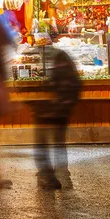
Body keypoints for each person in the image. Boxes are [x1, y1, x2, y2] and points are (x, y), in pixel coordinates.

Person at [32, 34, 82, 190]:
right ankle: (59, 172)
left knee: (41, 142)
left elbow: (51, 82)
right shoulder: (61, 55)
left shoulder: (43, 57)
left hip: (50, 107)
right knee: (58, 142)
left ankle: (47, 176)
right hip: (62, 106)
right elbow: (75, 82)